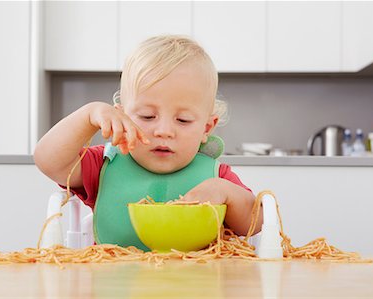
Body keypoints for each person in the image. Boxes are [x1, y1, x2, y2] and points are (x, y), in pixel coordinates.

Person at [34, 35, 262, 251]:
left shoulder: (216, 176)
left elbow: (256, 222)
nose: (163, 131)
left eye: (183, 120)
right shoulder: (104, 165)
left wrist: (225, 192)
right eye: (146, 116)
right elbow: (48, 160)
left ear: (206, 128)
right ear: (123, 116)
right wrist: (88, 115)